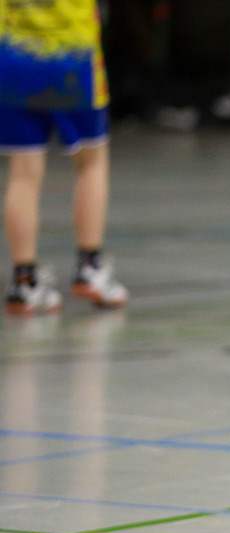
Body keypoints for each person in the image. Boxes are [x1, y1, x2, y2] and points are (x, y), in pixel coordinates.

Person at [1, 0, 128, 315]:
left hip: (14, 63)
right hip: (74, 62)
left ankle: (24, 279)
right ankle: (90, 267)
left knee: (22, 172)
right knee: (92, 161)